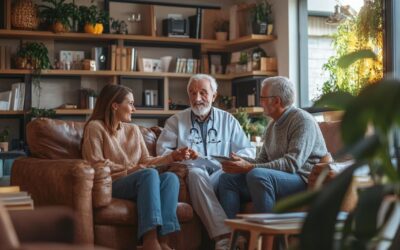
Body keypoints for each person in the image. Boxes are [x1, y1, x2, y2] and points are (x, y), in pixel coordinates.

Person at [82, 84, 196, 250]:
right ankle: (149, 240)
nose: (134, 109)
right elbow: (95, 163)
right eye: (130, 103)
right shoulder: (95, 127)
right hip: (112, 183)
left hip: (140, 180)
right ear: (115, 105)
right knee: (148, 174)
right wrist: (130, 170)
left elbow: (146, 160)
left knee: (170, 179)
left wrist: (172, 156)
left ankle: (163, 241)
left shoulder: (134, 130)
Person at [156, 74, 255, 250]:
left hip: (221, 173)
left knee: (225, 174)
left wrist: (235, 159)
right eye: (193, 94)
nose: (197, 98)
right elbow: (162, 152)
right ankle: (225, 236)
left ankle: (224, 238)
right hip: (193, 175)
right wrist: (177, 155)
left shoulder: (228, 120)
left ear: (214, 96)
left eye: (203, 93)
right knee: (196, 174)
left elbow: (247, 150)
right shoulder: (175, 121)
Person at [218, 76, 329, 218]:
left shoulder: (303, 120)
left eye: (263, 98)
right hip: (276, 177)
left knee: (257, 174)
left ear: (276, 101)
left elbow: (292, 164)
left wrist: (249, 167)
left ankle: (268, 236)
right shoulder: (272, 125)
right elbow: (262, 160)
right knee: (227, 179)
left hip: (302, 178)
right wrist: (240, 161)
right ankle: (231, 236)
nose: (260, 102)